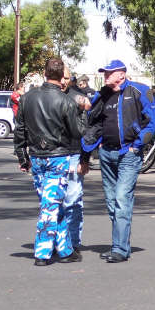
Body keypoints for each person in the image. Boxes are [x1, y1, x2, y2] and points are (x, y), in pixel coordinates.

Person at [82, 59, 155, 263]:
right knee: (111, 202)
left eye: (109, 72)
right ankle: (121, 245)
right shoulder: (102, 95)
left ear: (121, 74)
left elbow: (152, 122)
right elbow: (92, 120)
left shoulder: (139, 90)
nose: (105, 76)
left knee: (122, 199)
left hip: (128, 155)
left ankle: (119, 249)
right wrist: (94, 145)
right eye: (104, 72)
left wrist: (137, 145)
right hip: (106, 154)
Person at [13, 58, 87, 266]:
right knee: (50, 205)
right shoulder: (66, 101)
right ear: (62, 76)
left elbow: (20, 130)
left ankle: (65, 249)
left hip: (37, 156)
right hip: (58, 156)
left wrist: (22, 157)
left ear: (45, 74)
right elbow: (77, 132)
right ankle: (43, 252)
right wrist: (82, 111)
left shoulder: (27, 98)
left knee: (52, 203)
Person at [61, 66, 92, 256]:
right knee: (55, 202)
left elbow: (86, 131)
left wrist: (85, 158)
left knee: (73, 200)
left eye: (66, 78)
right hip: (53, 155)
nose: (63, 81)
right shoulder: (47, 96)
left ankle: (73, 242)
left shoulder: (78, 97)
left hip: (74, 154)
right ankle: (58, 241)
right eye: (60, 77)